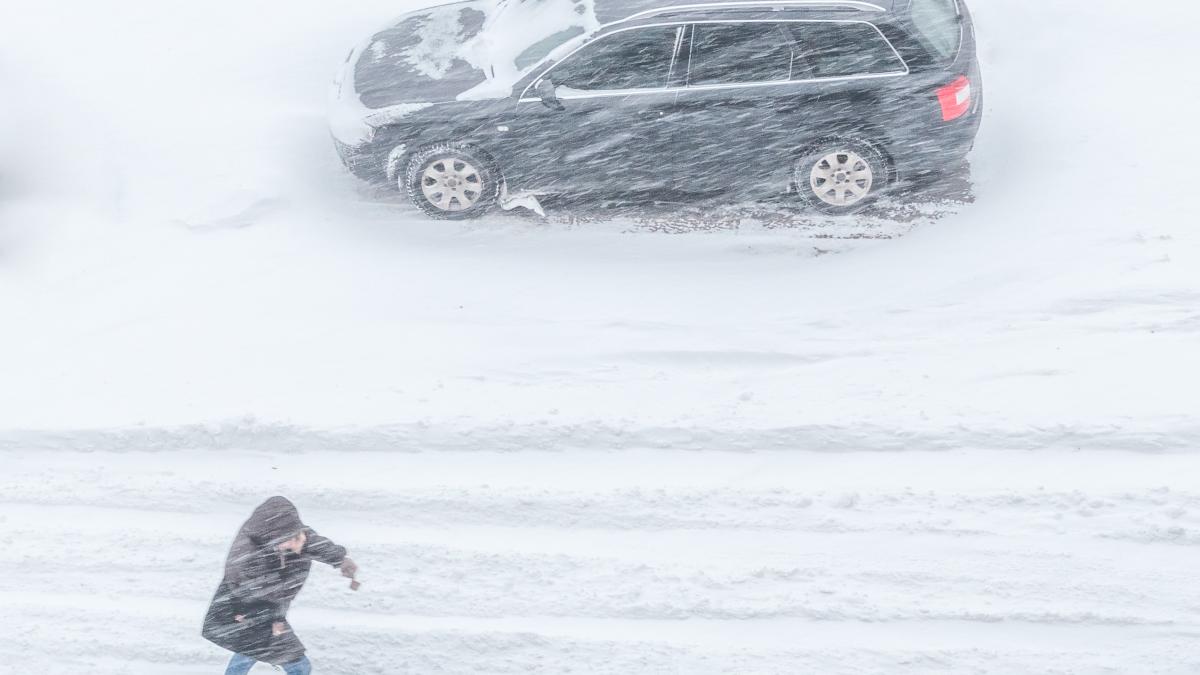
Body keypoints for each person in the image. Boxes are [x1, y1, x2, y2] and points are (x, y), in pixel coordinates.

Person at [202, 496, 358, 674]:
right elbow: (264, 593)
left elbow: (311, 543)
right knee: (295, 664)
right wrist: (277, 619)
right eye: (289, 541)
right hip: (244, 608)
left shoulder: (288, 535)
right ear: (273, 537)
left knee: (251, 650)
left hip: (262, 610)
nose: (294, 545)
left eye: (296, 538)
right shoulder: (249, 555)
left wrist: (340, 559)